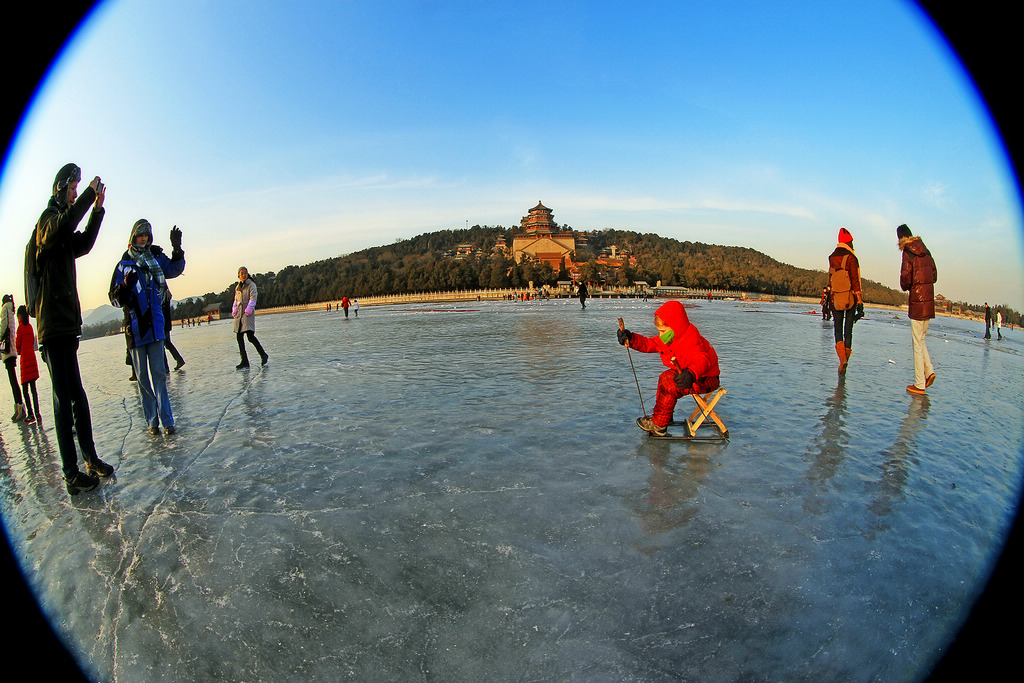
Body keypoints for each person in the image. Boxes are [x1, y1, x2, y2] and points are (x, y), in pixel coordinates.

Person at [33, 163, 114, 494]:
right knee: (63, 399)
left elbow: (83, 244)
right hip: (52, 326)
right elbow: (64, 224)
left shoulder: (62, 231)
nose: (73, 194)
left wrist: (97, 210)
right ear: (60, 189)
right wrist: (88, 195)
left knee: (78, 398)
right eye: (72, 189)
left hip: (66, 325)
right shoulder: (47, 222)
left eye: (77, 189)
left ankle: (89, 458)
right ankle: (70, 473)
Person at [109, 220, 186, 435]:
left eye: (146, 235)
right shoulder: (123, 265)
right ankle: (152, 422)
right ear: (133, 237)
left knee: (159, 374)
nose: (143, 239)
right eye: (139, 235)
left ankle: (168, 421)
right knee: (143, 378)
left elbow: (175, 269)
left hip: (156, 325)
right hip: (135, 328)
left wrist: (177, 248)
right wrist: (124, 286)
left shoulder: (156, 258)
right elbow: (114, 299)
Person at [617, 300, 721, 436]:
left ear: (675, 326)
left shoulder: (690, 339)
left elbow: (702, 360)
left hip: (705, 378)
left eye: (663, 331)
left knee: (669, 386)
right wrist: (631, 339)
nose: (660, 335)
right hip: (692, 374)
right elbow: (651, 343)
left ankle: (660, 425)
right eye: (659, 331)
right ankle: (664, 416)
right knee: (664, 378)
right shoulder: (673, 336)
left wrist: (691, 373)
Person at [897, 224, 937, 396]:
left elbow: (905, 278)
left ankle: (920, 384)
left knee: (917, 343)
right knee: (921, 339)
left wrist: (907, 286)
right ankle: (929, 372)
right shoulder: (926, 251)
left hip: (917, 302)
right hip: (928, 301)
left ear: (901, 238)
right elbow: (934, 275)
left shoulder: (908, 251)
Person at [828, 227, 864, 374]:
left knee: (837, 329)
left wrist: (830, 299)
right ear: (849, 242)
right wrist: (860, 301)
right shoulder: (851, 257)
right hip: (850, 297)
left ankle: (841, 359)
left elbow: (830, 278)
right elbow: (855, 281)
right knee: (848, 330)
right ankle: (845, 361)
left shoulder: (832, 257)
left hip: (836, 296)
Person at [233, 267, 268, 368]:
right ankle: (244, 361)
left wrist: (249, 310)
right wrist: (234, 310)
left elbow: (253, 298)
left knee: (250, 337)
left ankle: (263, 354)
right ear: (238, 276)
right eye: (241, 273)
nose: (244, 275)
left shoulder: (251, 285)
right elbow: (235, 300)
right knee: (239, 338)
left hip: (247, 314)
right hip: (239, 315)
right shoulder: (238, 287)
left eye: (245, 273)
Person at [15, 305, 41, 425]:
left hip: (25, 361)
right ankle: (37, 413)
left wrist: (19, 351)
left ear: (19, 316)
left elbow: (18, 346)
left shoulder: (20, 328)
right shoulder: (30, 327)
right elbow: (32, 342)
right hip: (32, 359)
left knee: (25, 390)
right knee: (33, 389)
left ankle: (30, 414)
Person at [1, 294, 25, 422]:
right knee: (13, 380)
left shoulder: (5, 309)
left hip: (7, 350)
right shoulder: (11, 311)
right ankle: (18, 407)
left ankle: (20, 407)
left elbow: (3, 328)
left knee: (12, 381)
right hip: (12, 349)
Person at [162, 289, 185, 371]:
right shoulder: (166, 296)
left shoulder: (161, 296)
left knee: (163, 345)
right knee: (167, 343)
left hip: (162, 323)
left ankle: (165, 368)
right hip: (166, 323)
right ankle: (178, 360)